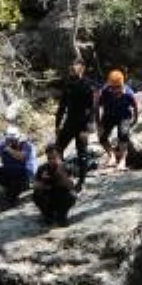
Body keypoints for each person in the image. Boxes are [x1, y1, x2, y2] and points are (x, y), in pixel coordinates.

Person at [54, 56, 97, 192]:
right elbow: (62, 106)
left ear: (82, 68)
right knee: (57, 149)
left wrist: (90, 125)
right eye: (71, 65)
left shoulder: (88, 84)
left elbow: (93, 107)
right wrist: (57, 125)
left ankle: (82, 181)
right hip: (69, 123)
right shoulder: (68, 84)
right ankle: (61, 176)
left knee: (82, 153)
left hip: (82, 124)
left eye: (75, 65)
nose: (72, 67)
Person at [0, 125, 36, 212]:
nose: (10, 141)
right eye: (8, 139)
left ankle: (10, 201)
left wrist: (8, 149)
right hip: (9, 173)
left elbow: (21, 157)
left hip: (25, 176)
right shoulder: (4, 144)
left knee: (20, 176)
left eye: (12, 140)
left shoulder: (26, 145)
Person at [97, 69, 139, 170]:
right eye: (113, 87)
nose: (116, 90)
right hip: (109, 115)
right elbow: (96, 106)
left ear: (122, 84)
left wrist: (135, 119)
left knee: (123, 135)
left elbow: (135, 106)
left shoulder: (128, 93)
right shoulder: (105, 91)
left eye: (118, 87)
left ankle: (123, 160)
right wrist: (98, 122)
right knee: (102, 136)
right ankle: (112, 156)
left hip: (124, 115)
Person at [32, 144, 77, 226]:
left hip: (62, 195)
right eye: (49, 158)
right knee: (37, 193)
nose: (52, 160)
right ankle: (48, 215)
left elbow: (71, 185)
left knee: (71, 195)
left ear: (59, 155)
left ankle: (62, 215)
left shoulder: (66, 167)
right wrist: (44, 182)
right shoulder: (42, 168)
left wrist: (59, 174)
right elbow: (35, 185)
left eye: (54, 157)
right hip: (48, 196)